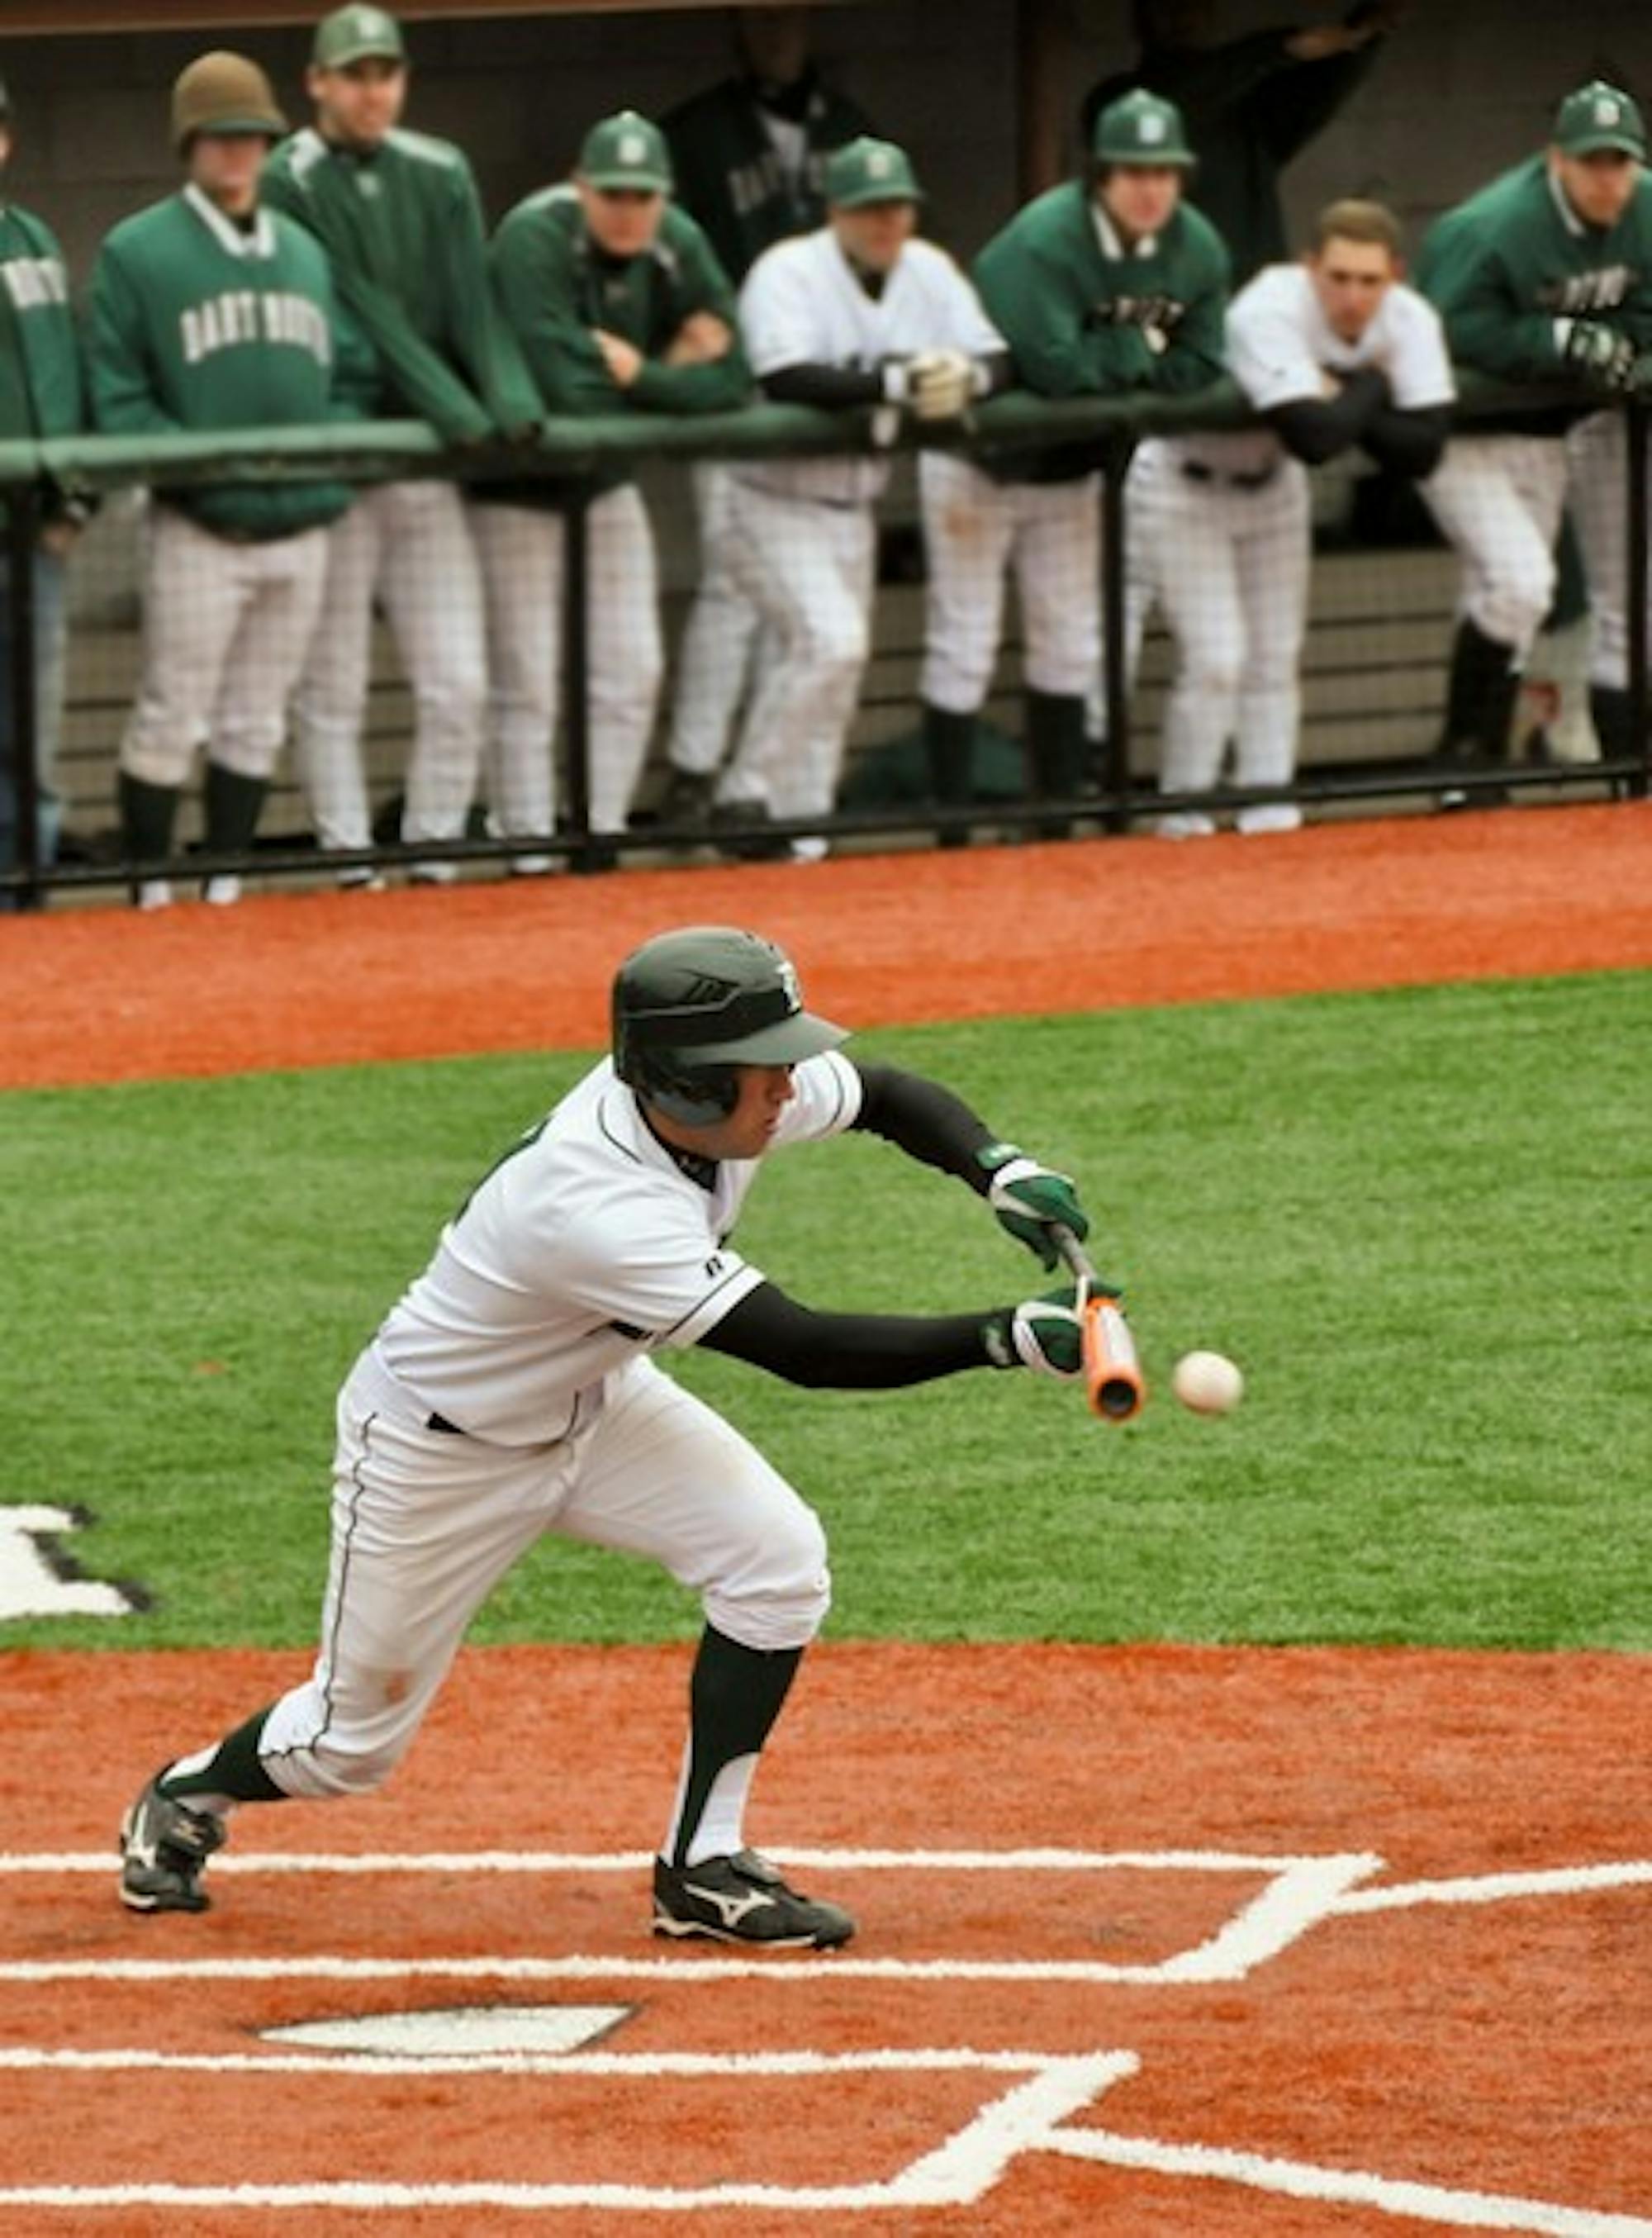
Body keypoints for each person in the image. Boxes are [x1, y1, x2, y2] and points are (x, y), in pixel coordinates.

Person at [116, 924, 1104, 1946]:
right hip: (437, 1451)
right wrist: (999, 1339)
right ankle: (185, 1793)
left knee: (775, 1565)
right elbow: (805, 1349)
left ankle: (702, 1868)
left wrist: (998, 1167)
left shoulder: (718, 1099)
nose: (788, 1085)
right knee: (346, 1745)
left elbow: (886, 1095)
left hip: (591, 1398)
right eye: (764, 1068)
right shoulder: (591, 1203)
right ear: (687, 1085)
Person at [262, 3, 543, 885]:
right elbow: (362, 311)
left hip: (425, 464)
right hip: (344, 458)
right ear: (317, 82)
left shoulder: (440, 167)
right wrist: (460, 410)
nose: (372, 91)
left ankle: (433, 854)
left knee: (457, 679)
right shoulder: (287, 176)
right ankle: (349, 860)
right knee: (334, 680)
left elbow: (471, 302)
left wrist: (511, 402)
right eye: (354, 75)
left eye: (385, 73)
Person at [88, 52, 358, 910]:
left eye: (251, 136)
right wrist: (200, 472)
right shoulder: (139, 250)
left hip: (301, 528)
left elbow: (353, 378)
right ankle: (149, 891)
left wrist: (326, 469)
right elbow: (119, 398)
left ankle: (224, 889)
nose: (238, 151)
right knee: (173, 711)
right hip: (197, 529)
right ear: (189, 143)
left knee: (256, 715)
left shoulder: (305, 253)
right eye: (219, 136)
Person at [714, 136, 1008, 858]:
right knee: (832, 643)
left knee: (834, 686)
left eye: (896, 207)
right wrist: (898, 383)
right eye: (870, 208)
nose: (886, 222)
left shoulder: (927, 269)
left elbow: (996, 355)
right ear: (836, 211)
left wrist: (967, 379)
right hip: (768, 499)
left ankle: (802, 844)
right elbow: (785, 375)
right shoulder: (788, 270)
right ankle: (742, 795)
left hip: (854, 507)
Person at [475, 111, 749, 870]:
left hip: (606, 483)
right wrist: (674, 371)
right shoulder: (534, 236)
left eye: (643, 195)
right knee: (528, 681)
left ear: (664, 195)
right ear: (581, 186)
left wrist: (640, 372)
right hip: (516, 487)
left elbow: (736, 376)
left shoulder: (677, 239)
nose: (629, 210)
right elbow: (566, 392)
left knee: (631, 669)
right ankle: (528, 849)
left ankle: (599, 838)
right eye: (613, 194)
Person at [949, 90, 1227, 834]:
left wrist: (1117, 356)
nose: (1150, 189)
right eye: (1133, 172)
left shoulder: (1197, 245)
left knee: (1069, 644)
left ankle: (1056, 823)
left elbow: (1205, 361)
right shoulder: (1047, 238)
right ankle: (949, 832)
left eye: (1163, 173)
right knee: (964, 646)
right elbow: (1054, 368)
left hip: (1073, 467)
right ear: (1101, 177)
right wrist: (1140, 351)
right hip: (981, 461)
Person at [1132, 197, 1453, 837]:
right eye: (1339, 277)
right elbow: (1316, 437)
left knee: (1275, 656)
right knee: (1218, 658)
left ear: (1395, 274)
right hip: (1184, 483)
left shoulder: (1410, 317)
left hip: (1274, 487)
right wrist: (1374, 386)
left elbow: (1424, 449)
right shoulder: (1268, 307)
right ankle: (1182, 813)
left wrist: (1346, 396)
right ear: (1310, 267)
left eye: (1370, 280)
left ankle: (1270, 811)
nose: (1353, 296)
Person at [657, 7, 876, 830]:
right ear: (738, 28)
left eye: (790, 15)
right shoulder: (697, 132)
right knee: (732, 581)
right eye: (762, 17)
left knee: (800, 614)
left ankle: (765, 785)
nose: (778, 32)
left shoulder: (849, 129)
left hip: (822, 392)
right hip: (734, 387)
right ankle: (694, 768)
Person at [1416, 78, 1652, 799]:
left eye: (1620, 162)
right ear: (1557, 160)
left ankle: (1628, 780)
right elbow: (1445, 327)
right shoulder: (1491, 228)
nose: (1607, 178)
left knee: (1622, 602)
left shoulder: (1646, 210)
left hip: (1567, 432)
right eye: (1591, 162)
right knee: (1515, 586)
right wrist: (1555, 339)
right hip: (1469, 437)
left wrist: (1625, 346)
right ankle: (1466, 769)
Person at [1080, 0, 1409, 286]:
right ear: (1140, 16)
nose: (1182, 15)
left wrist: (1365, 32)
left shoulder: (1245, 109)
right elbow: (1179, 99)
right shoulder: (1116, 102)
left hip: (1251, 300)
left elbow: (1317, 93)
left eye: (1194, 4)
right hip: (1163, 300)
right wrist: (1281, 48)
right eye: (1166, 5)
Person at [0, 74, 88, 902]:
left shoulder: (32, 237)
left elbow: (67, 372)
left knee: (34, 721)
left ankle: (29, 885)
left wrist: (76, 500)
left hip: (35, 530)